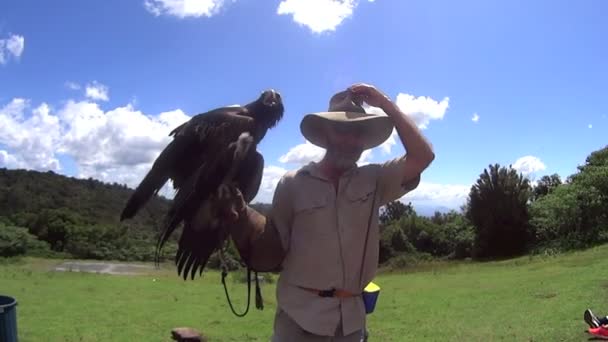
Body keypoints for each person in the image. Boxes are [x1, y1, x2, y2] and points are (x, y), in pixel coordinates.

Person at [218, 83, 435, 341]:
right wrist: (240, 219)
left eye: (358, 132)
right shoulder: (292, 183)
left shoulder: (375, 179)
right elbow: (273, 248)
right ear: (326, 133)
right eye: (342, 130)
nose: (351, 140)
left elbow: (423, 156)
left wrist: (385, 103)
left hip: (352, 323)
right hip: (298, 321)